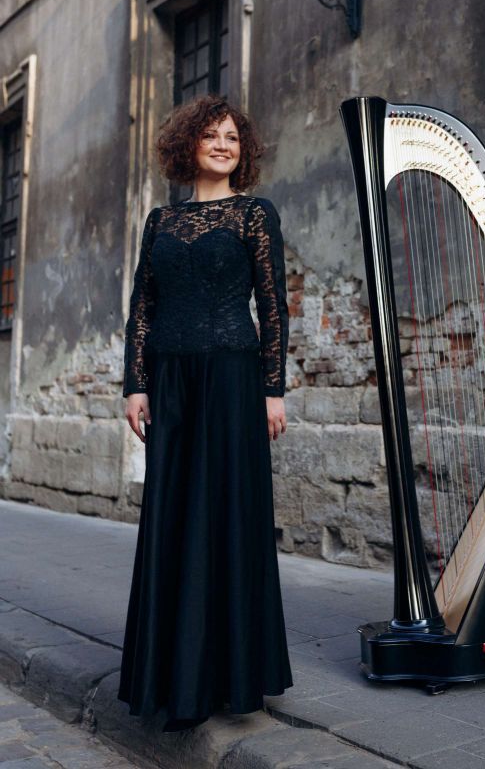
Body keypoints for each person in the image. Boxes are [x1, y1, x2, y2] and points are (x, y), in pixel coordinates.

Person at [117, 93, 293, 732]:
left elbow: (272, 304)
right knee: (173, 516)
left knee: (227, 516)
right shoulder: (160, 221)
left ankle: (228, 677)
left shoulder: (254, 214)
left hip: (231, 380)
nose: (223, 145)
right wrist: (136, 384)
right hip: (170, 383)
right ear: (188, 144)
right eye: (211, 135)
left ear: (243, 152)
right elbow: (143, 305)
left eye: (232, 138)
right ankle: (174, 679)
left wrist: (272, 389)